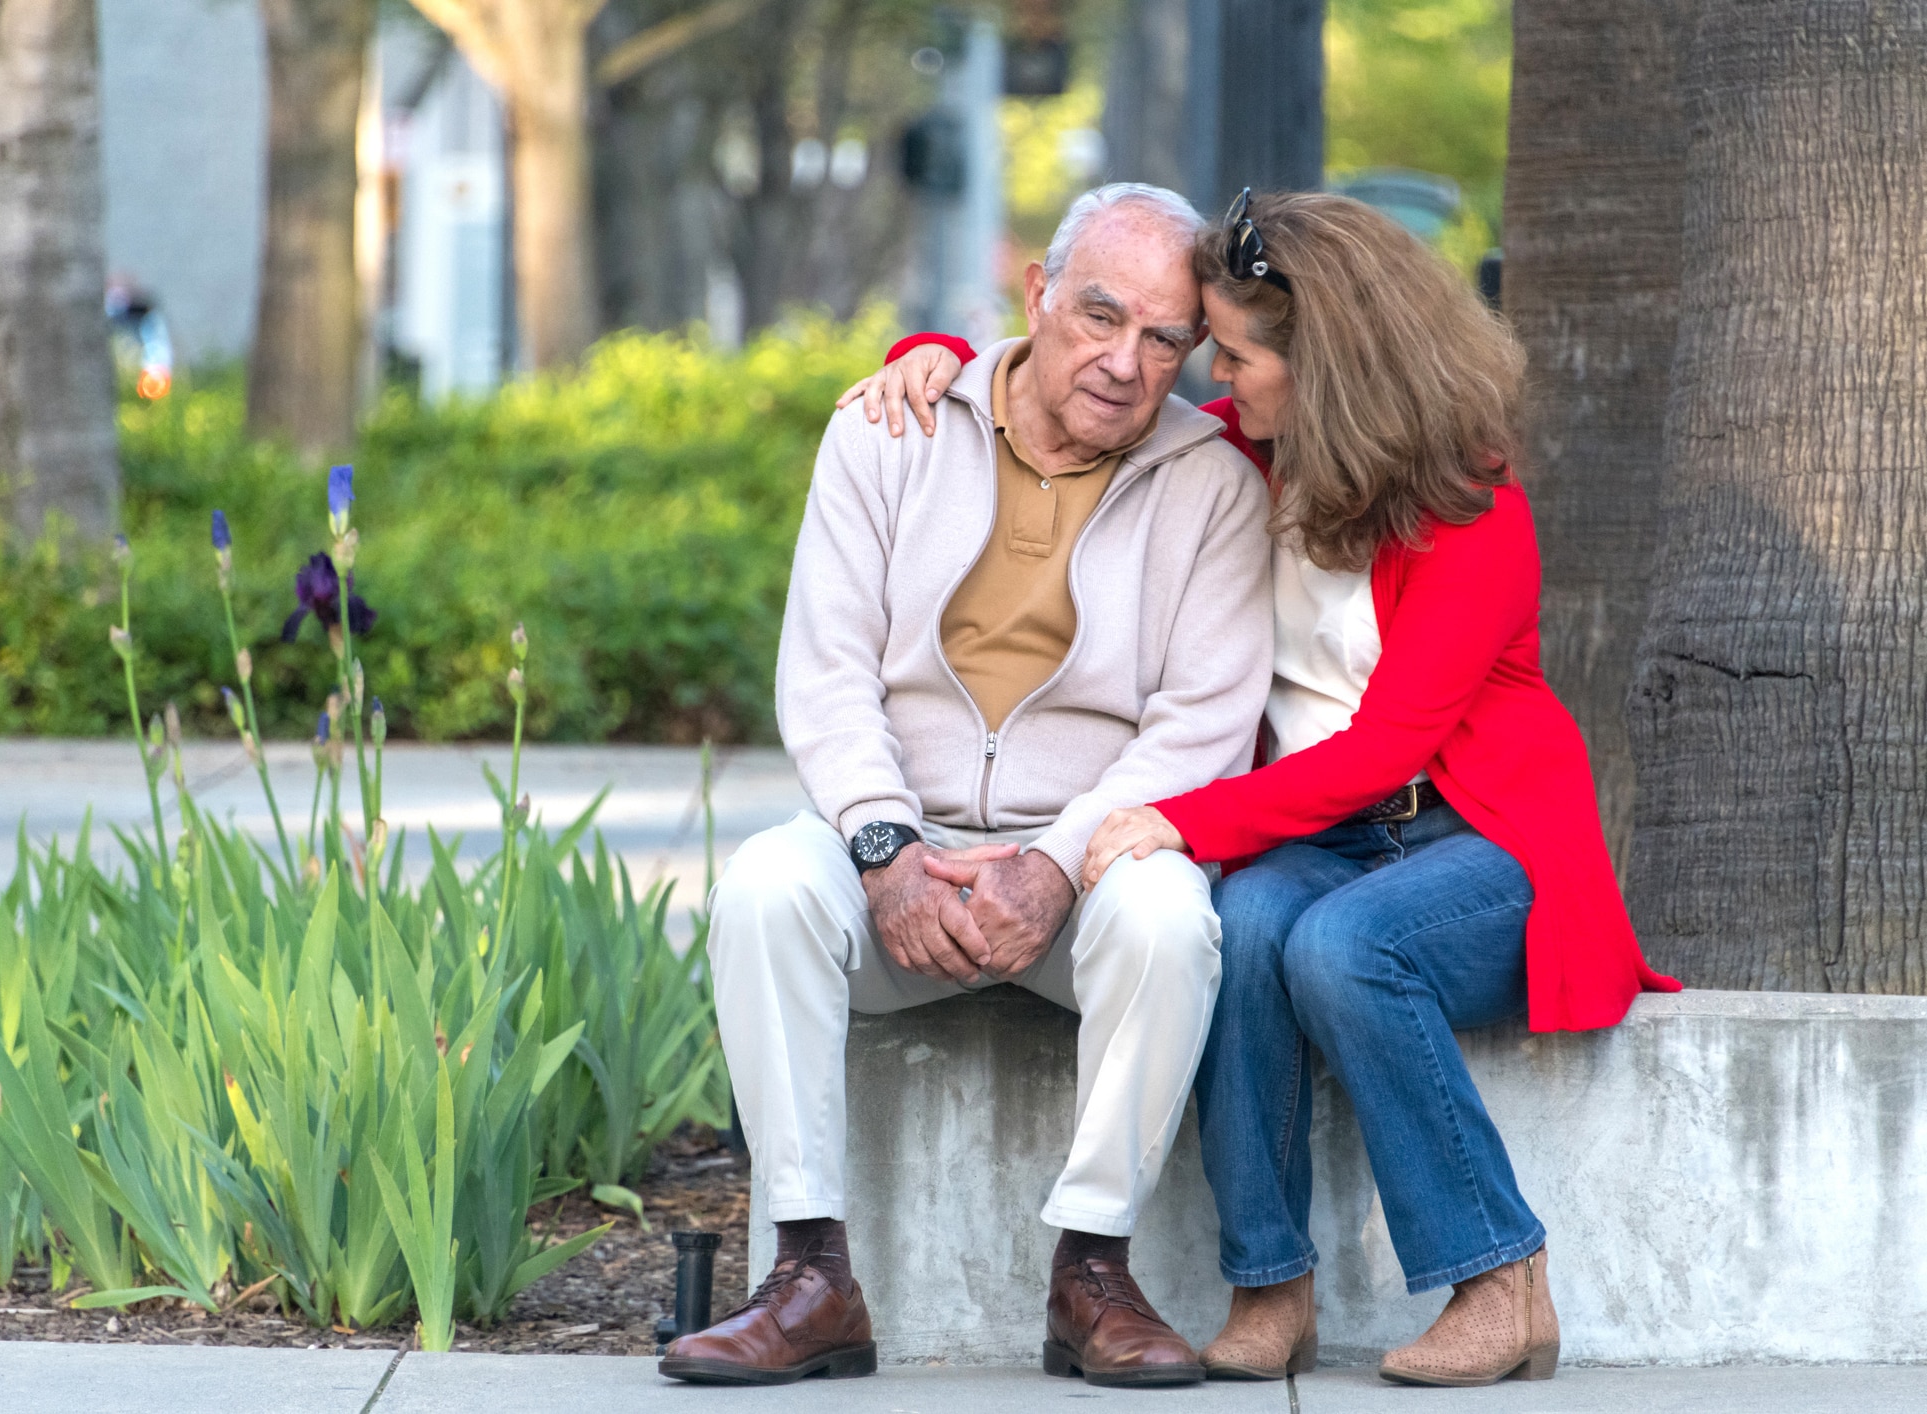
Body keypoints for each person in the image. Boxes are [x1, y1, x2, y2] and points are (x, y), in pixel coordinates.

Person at [841, 188, 1681, 1389]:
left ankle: (1502, 1275)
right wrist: (928, 362)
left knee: (1344, 947)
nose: (1213, 382)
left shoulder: (1472, 509)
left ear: (1326, 364)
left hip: (1479, 843)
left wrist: (1172, 819)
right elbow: (1055, 389)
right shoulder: (1243, 456)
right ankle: (1270, 1281)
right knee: (1239, 923)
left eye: (1235, 355)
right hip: (1323, 836)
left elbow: (1385, 752)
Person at [659, 184, 1274, 1389]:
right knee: (766, 888)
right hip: (901, 836)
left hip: (1080, 863)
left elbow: (1203, 723)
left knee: (1169, 919)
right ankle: (809, 1271)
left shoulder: (1211, 485)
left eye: (1164, 340)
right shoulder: (889, 431)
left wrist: (1059, 858)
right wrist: (885, 853)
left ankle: (1091, 1270)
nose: (1123, 361)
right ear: (1037, 295)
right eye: (1100, 315)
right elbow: (828, 673)